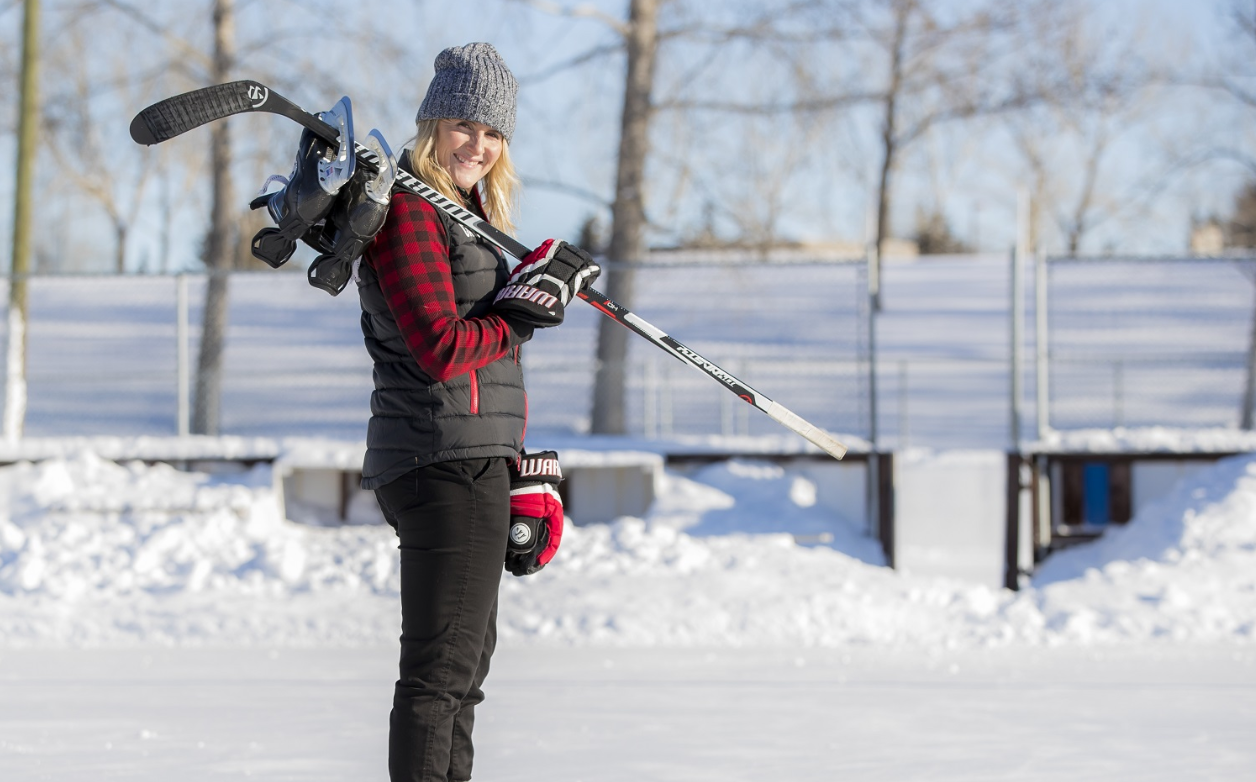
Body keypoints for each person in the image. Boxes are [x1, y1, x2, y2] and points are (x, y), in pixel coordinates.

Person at [354, 43, 600, 782]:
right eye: (466, 125)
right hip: (440, 463)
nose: (480, 146)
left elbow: (483, 353)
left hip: (472, 460)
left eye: (495, 134)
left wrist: (516, 463)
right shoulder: (409, 211)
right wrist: (521, 314)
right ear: (434, 123)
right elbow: (439, 347)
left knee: (463, 676)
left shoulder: (471, 218)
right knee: (438, 677)